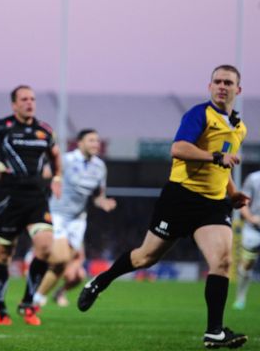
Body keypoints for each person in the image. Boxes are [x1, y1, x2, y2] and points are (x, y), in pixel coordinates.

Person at [77, 65, 249, 349]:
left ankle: (214, 332)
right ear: (209, 87)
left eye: (227, 82)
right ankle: (100, 281)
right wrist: (215, 156)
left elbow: (224, 164)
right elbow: (178, 149)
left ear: (237, 90)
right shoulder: (199, 114)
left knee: (222, 261)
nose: (221, 86)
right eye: (217, 81)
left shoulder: (239, 127)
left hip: (213, 205)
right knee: (146, 257)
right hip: (180, 198)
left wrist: (233, 193)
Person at [0, 85, 62, 326]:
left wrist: (57, 177)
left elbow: (56, 155)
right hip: (10, 199)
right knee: (4, 255)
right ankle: (0, 308)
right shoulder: (1, 126)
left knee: (46, 248)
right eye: (24, 99)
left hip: (37, 198)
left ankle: (28, 303)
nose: (30, 103)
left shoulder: (45, 130)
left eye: (32, 99)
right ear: (14, 104)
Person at [31, 129, 116, 308]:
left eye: (97, 141)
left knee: (68, 270)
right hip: (58, 214)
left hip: (78, 221)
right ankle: (36, 277)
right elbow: (42, 174)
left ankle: (36, 298)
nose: (96, 144)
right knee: (61, 259)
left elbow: (98, 196)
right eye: (91, 140)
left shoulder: (100, 167)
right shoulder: (66, 160)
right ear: (80, 143)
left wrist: (104, 203)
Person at [232, 169, 260, 310]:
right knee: (247, 264)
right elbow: (243, 202)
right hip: (253, 229)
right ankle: (240, 297)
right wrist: (251, 218)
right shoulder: (254, 178)